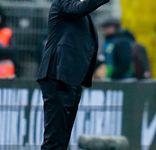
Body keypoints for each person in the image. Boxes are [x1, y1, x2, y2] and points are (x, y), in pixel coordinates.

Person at [37, 0, 110, 149]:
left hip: (70, 78)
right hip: (58, 76)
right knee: (55, 140)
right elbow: (80, 8)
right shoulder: (64, 3)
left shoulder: (78, 10)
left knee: (62, 139)